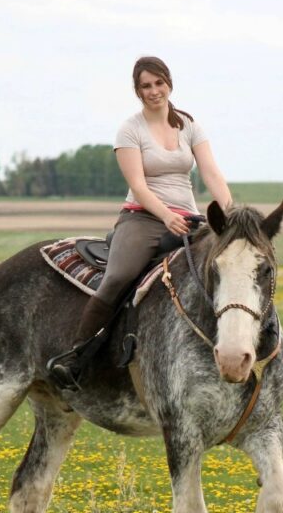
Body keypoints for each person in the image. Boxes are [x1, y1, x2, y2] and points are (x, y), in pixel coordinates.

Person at [48, 55, 234, 387]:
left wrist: (229, 214)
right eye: (145, 86)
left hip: (188, 219)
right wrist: (165, 215)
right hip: (143, 218)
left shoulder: (189, 125)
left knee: (228, 270)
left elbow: (211, 173)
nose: (153, 91)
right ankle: (76, 358)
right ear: (137, 91)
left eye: (158, 83)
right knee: (118, 276)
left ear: (169, 83)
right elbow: (138, 184)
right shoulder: (130, 129)